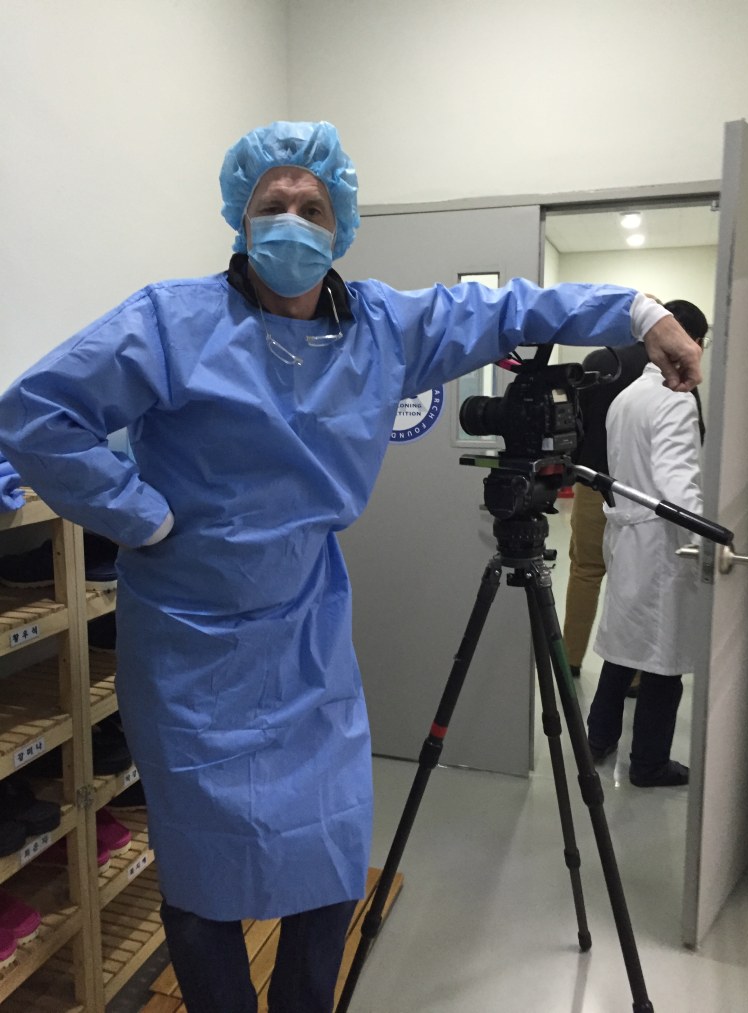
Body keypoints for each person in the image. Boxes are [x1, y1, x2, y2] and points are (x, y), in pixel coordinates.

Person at [0, 121, 701, 1012]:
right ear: (240, 218)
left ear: (340, 225)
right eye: (272, 205)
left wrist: (644, 313)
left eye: (311, 206)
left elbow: (513, 309)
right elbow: (35, 416)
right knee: (202, 876)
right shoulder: (171, 323)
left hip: (304, 630)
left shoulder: (384, 327)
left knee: (329, 861)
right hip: (185, 642)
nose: (291, 220)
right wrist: (141, 517)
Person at [586, 301, 707, 788]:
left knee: (622, 646)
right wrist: (710, 543)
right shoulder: (675, 399)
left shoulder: (628, 397)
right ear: (689, 341)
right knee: (662, 660)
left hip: (626, 534)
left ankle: (597, 739)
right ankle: (649, 762)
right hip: (659, 543)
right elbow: (678, 489)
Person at [562, 299, 708, 684]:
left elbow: (572, 429)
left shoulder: (599, 361)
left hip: (595, 488)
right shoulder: (676, 383)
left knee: (585, 573)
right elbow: (691, 452)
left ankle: (570, 658)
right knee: (643, 592)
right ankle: (638, 677)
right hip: (649, 501)